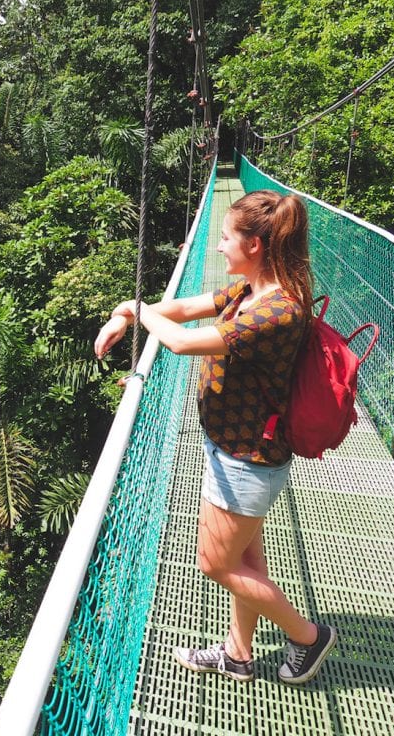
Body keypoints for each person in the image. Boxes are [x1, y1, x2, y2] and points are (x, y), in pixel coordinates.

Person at [94, 190, 337, 685]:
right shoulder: (250, 290)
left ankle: (309, 638)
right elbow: (181, 309)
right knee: (244, 560)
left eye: (227, 238)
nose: (219, 246)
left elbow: (181, 341)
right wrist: (125, 312)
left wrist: (135, 312)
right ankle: (238, 654)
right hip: (233, 448)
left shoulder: (277, 311)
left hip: (248, 459)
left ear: (256, 245)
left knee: (214, 563)